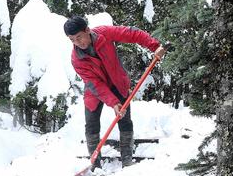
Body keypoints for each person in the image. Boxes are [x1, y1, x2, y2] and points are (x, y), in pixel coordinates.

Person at [65, 15, 165, 167]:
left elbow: (131, 33)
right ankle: (94, 163)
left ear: (87, 30)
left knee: (124, 119)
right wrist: (113, 102)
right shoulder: (76, 58)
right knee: (91, 124)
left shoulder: (104, 33)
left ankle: (127, 157)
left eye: (79, 37)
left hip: (118, 83)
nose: (77, 43)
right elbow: (94, 83)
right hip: (95, 91)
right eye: (72, 40)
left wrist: (154, 46)